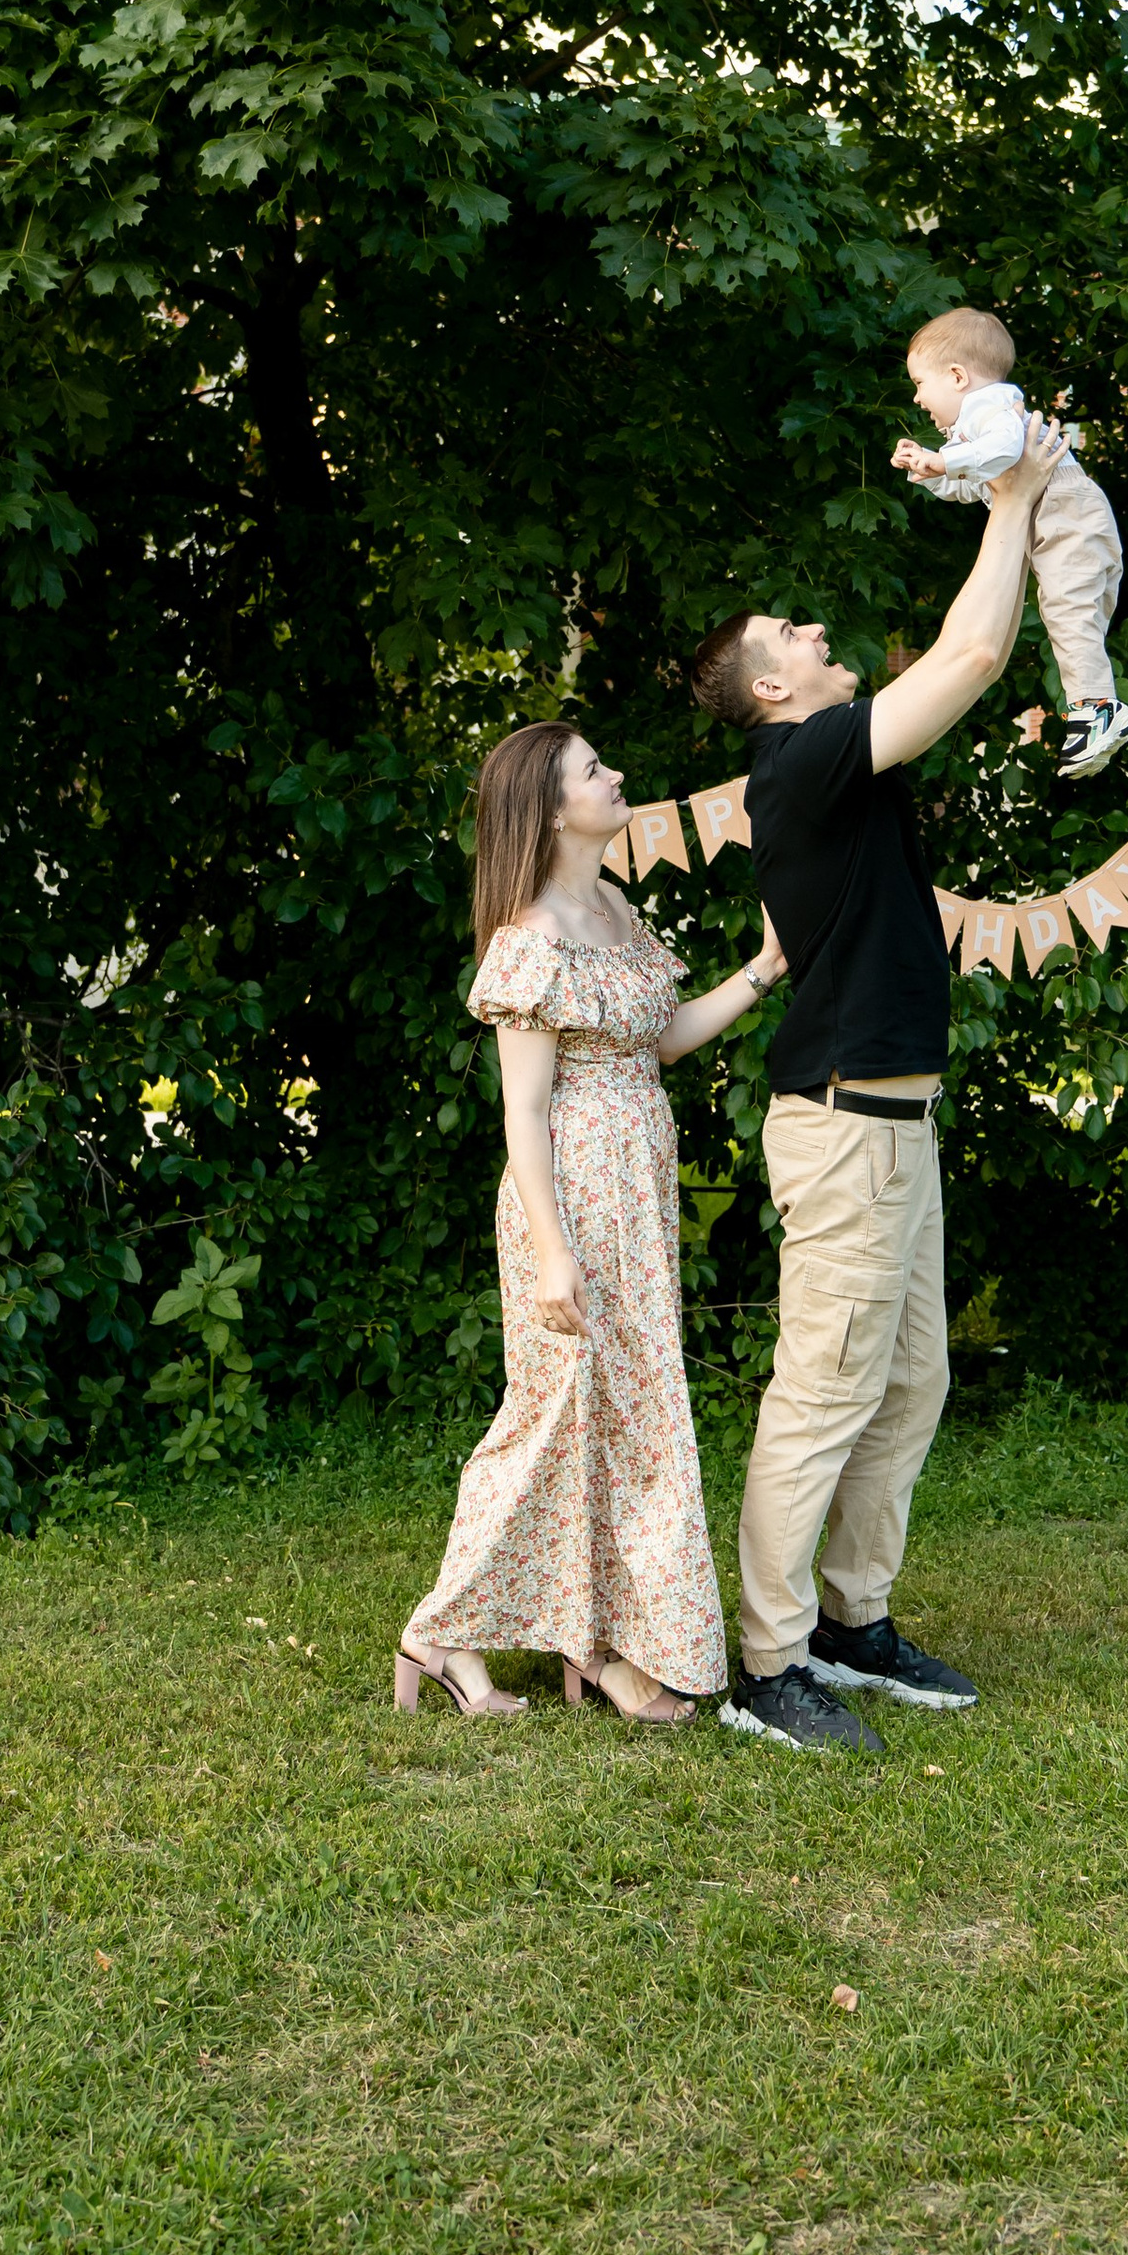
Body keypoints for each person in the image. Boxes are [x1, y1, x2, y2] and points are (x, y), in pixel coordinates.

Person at [686, 415, 1064, 1755]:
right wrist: (1011, 500)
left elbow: (971, 660)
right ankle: (767, 1664)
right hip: (845, 1129)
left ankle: (853, 1624)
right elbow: (970, 657)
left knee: (908, 1386)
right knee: (824, 1394)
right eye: (788, 630)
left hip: (896, 1125)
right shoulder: (799, 760)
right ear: (769, 684)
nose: (812, 628)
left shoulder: (834, 767)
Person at [396, 721, 788, 1725]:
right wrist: (552, 1254)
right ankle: (441, 1632)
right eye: (592, 770)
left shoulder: (615, 906)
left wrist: (762, 968)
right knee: (553, 1416)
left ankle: (604, 1646)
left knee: (630, 1419)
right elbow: (523, 1113)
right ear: (550, 810)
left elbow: (662, 1039)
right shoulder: (529, 939)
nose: (617, 776)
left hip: (637, 1197)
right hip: (569, 1197)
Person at [892, 305, 1128, 779]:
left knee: (1069, 613)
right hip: (1063, 519)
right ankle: (1095, 705)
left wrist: (944, 461)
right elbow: (975, 484)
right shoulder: (975, 428)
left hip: (1067, 515)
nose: (917, 398)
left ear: (957, 376)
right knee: (1072, 619)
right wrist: (930, 471)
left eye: (920, 383)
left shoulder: (991, 409)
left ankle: (1097, 709)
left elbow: (1002, 451)